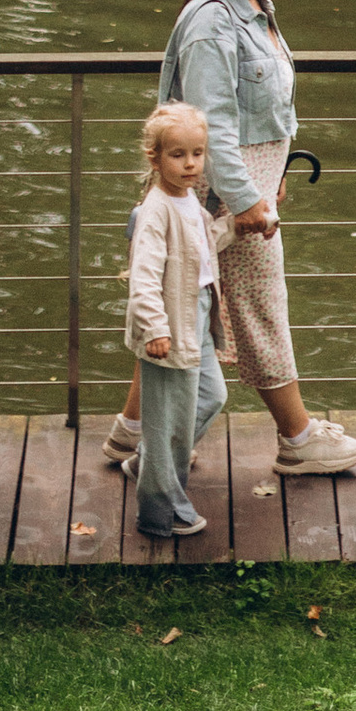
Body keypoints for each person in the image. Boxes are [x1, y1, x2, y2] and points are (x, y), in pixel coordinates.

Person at [97, 0, 356, 479]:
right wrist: (246, 197)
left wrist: (274, 174)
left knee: (186, 309)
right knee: (259, 312)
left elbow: (259, 113)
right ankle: (297, 439)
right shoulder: (212, 22)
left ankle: (130, 435)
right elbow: (211, 122)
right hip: (221, 201)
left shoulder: (251, 6)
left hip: (250, 191)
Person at [125, 100, 225, 539]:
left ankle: (148, 464)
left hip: (196, 316)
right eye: (178, 155)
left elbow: (203, 245)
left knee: (211, 396)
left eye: (197, 154)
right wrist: (155, 329)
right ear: (156, 157)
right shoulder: (156, 210)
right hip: (169, 325)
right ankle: (163, 512)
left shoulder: (190, 203)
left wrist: (249, 222)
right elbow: (143, 277)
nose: (190, 164)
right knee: (172, 423)